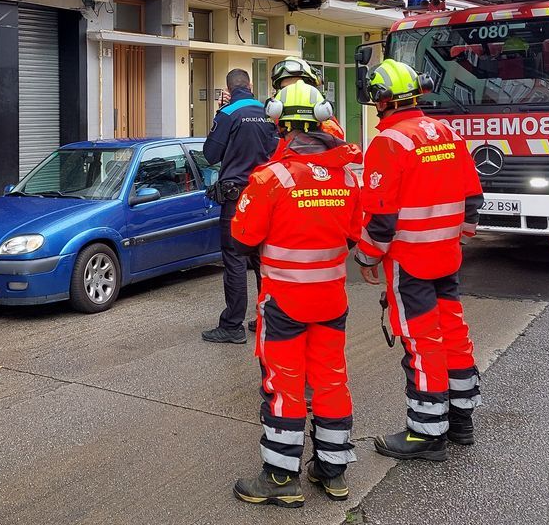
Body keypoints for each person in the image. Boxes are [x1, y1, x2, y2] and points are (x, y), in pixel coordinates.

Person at [230, 81, 363, 508]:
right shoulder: (345, 176)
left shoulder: (272, 177)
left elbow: (243, 234)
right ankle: (332, 472)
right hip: (331, 300)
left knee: (284, 385)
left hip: (285, 301)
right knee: (330, 381)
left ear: (279, 124)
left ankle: (280, 476)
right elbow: (355, 234)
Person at [354, 59, 484, 461]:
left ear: (383, 99)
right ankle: (461, 420)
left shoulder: (390, 142)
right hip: (446, 256)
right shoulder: (447, 132)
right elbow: (472, 200)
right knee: (453, 334)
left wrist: (365, 257)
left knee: (420, 340)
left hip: (409, 260)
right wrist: (454, 238)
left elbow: (381, 216)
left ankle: (426, 433)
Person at [201, 69, 278, 344]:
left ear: (229, 88)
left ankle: (232, 325)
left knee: (234, 258)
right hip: (266, 195)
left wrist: (219, 114)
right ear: (250, 85)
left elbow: (210, 155)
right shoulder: (268, 112)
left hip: (237, 198)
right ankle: (267, 317)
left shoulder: (228, 113)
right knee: (261, 259)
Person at [270, 57, 348, 140]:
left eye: (296, 87)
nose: (291, 92)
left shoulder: (329, 128)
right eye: (284, 89)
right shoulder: (275, 124)